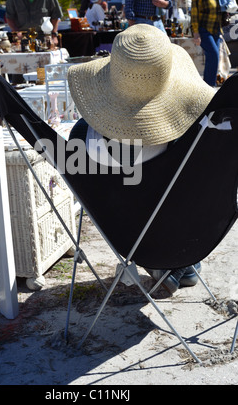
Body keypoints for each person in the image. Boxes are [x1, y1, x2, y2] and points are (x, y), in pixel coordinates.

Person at [67, 24, 215, 294]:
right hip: (170, 230)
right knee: (184, 177)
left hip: (121, 230)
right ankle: (181, 265)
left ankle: (175, 266)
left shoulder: (80, 136)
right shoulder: (181, 139)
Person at [191, 0, 236, 87]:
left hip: (216, 29)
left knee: (215, 60)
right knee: (214, 56)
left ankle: (209, 87)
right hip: (203, 29)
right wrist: (196, 33)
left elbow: (226, 6)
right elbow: (194, 14)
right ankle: (208, 87)